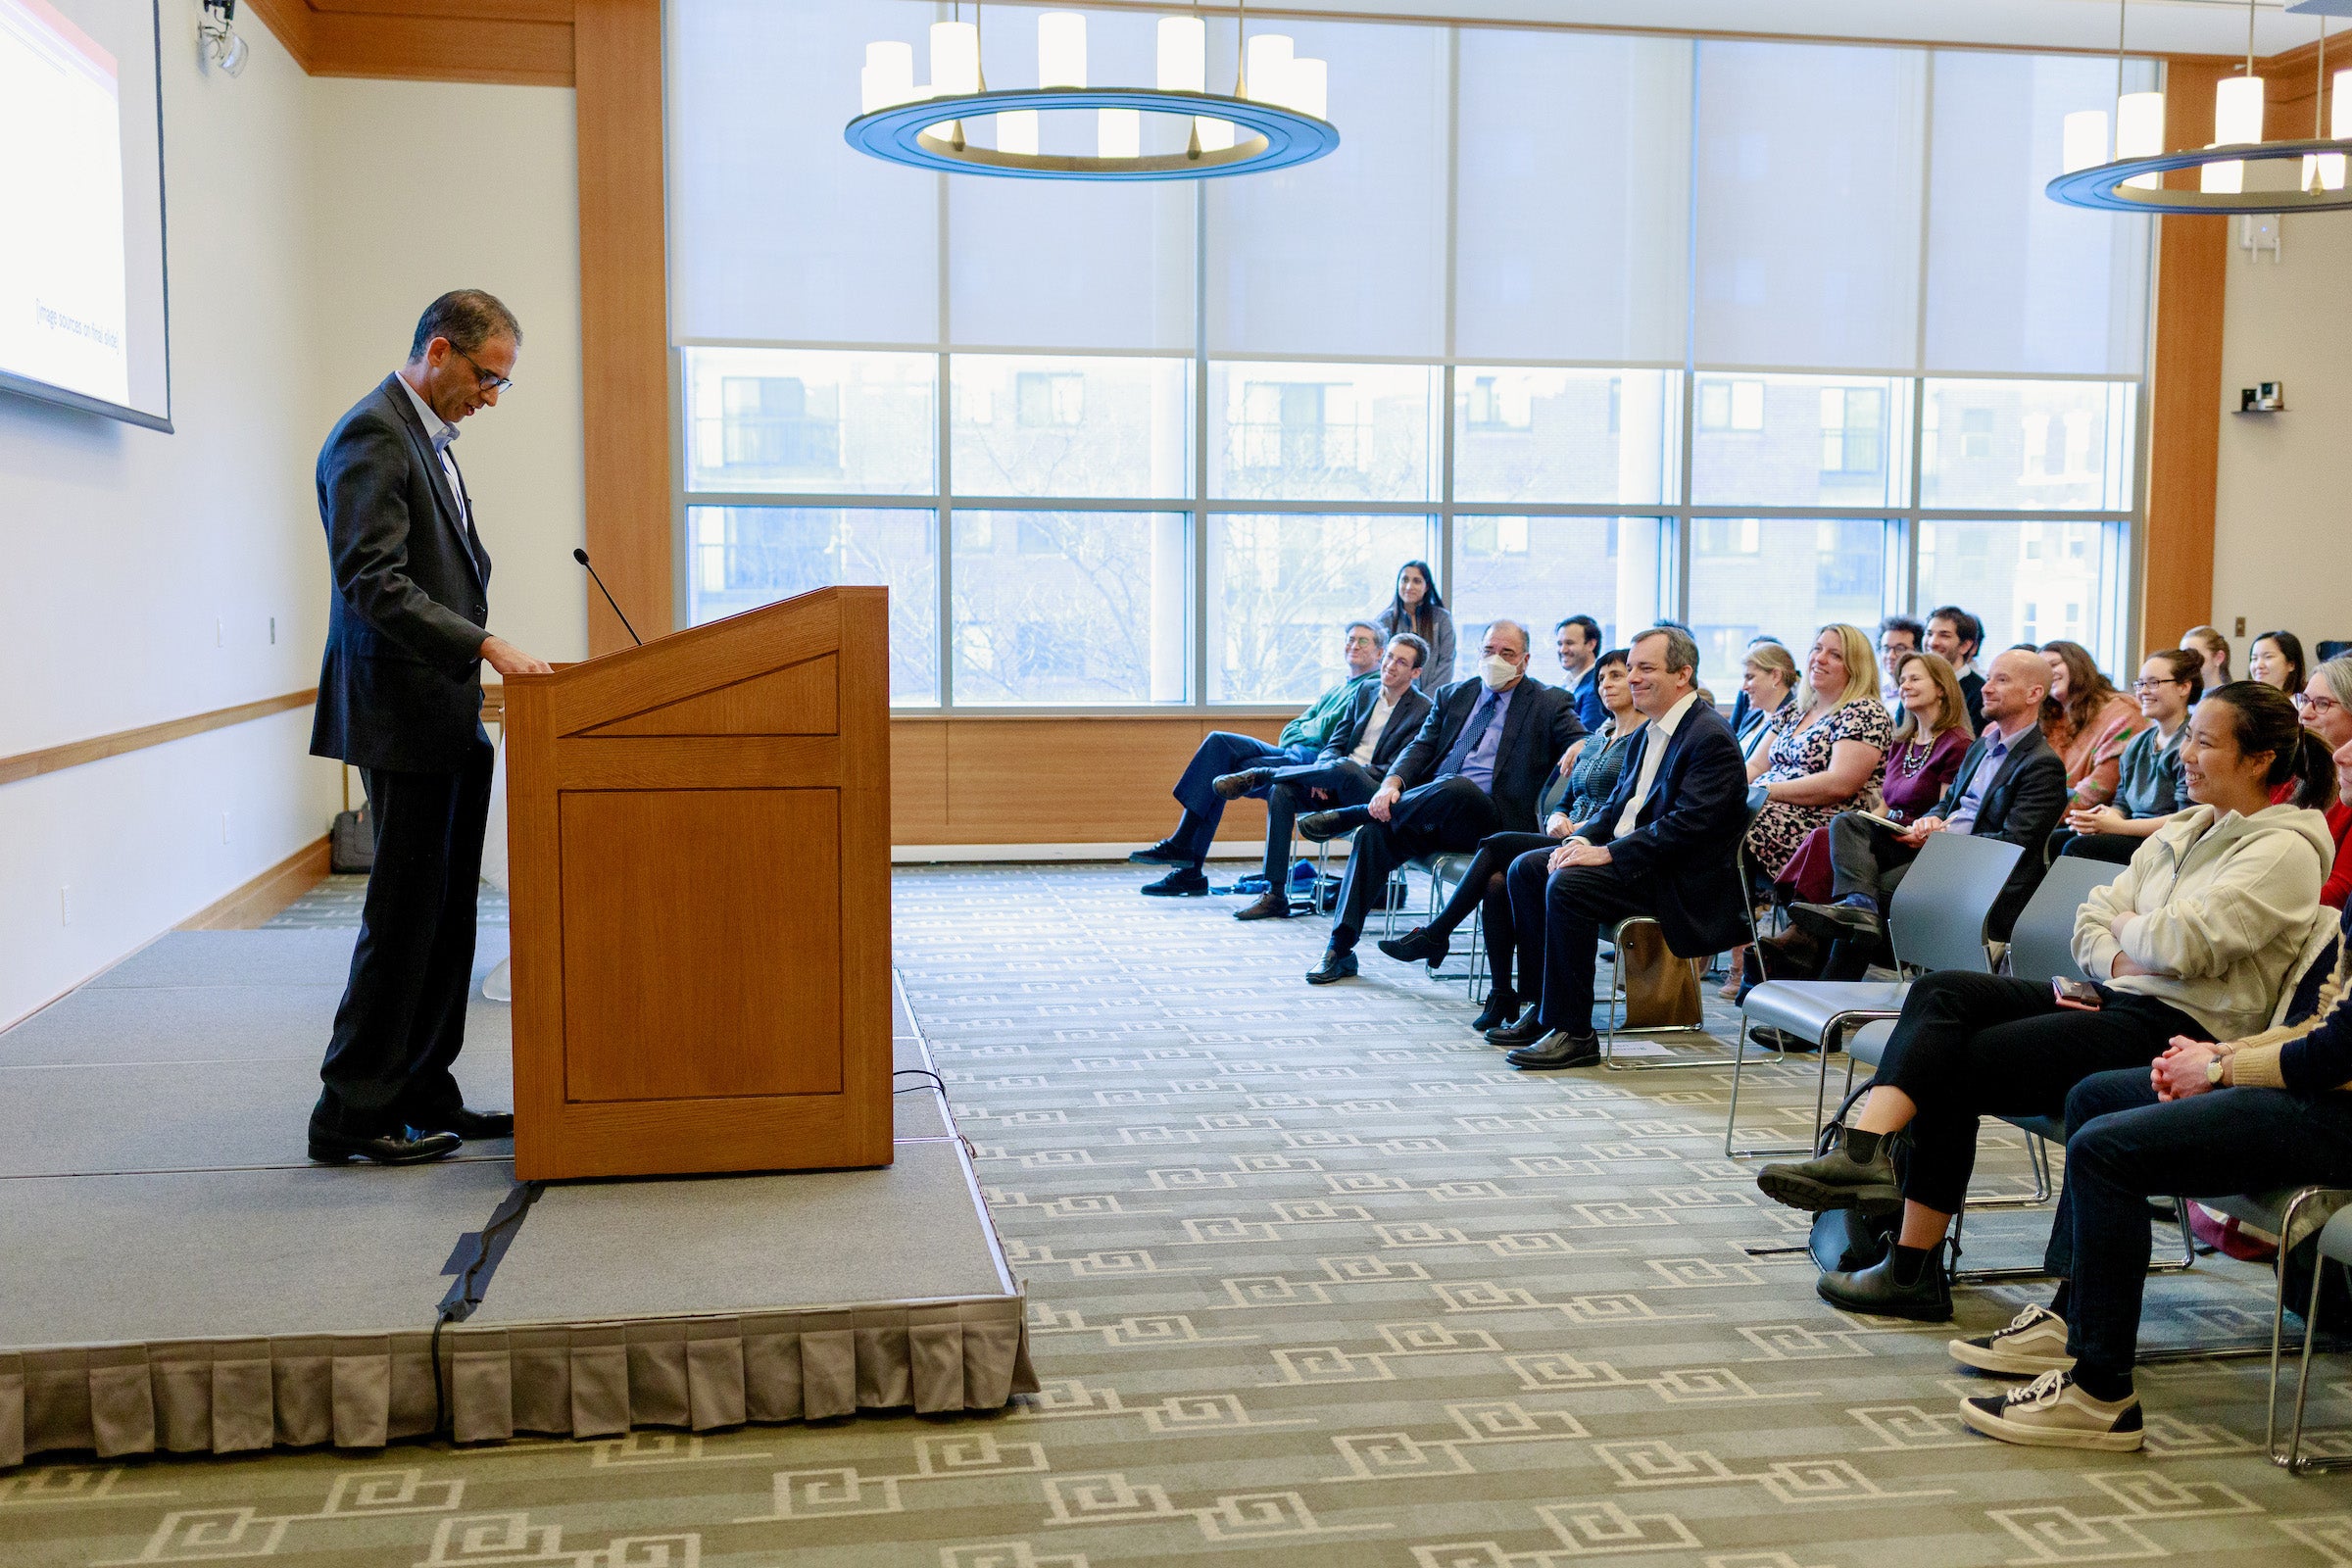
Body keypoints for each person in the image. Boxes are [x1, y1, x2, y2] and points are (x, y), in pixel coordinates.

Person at [1754, 680, 2337, 1322]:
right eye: (2190, 738)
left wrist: (2129, 928)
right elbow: (2093, 917)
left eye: (2204, 742)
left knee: (1948, 1063)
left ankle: (1910, 1267)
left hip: (2180, 1027)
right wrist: (2126, 940)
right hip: (2117, 994)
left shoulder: (2283, 850)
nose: (2185, 755)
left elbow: (2178, 946)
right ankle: (1864, 1154)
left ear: (2257, 760)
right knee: (1941, 992)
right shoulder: (2188, 827)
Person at [1945, 887, 2352, 1451]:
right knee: (2097, 1097)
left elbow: (2339, 1057)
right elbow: (2322, 1024)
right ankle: (2075, 1319)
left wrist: (2217, 1071)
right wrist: (2227, 1053)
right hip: (2324, 1086)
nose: (2343, 790)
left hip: (2341, 1111)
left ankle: (2099, 1394)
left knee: (2105, 1153)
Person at [309, 290, 545, 1167]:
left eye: (501, 385)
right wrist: (485, 643)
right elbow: (371, 579)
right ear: (438, 351)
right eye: (487, 378)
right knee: (403, 918)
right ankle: (351, 1111)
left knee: (446, 919)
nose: (490, 397)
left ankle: (421, 1090)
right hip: (401, 713)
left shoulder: (429, 441)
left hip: (443, 713)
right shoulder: (373, 433)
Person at [1485, 627, 1750, 1070]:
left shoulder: (1709, 737)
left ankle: (1576, 1032)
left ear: (1683, 674)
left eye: (1646, 669)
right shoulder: (1650, 732)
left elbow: (1691, 826)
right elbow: (1616, 809)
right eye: (1631, 669)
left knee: (1569, 885)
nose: (1633, 679)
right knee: (1529, 868)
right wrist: (1582, 839)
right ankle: (1544, 1008)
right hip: (1642, 863)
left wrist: (1609, 853)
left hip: (1677, 878)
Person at [1295, 621, 1584, 985]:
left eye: (1506, 653)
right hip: (1433, 809)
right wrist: (1391, 784)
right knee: (1373, 834)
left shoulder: (1548, 701)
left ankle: (1350, 814)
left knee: (1456, 786)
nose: (1495, 658)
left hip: (1493, 823)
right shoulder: (1454, 694)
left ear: (1524, 661)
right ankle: (1339, 949)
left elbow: (1583, 739)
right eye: (1488, 650)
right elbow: (1421, 749)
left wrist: (1579, 743)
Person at [1375, 648, 1646, 1028]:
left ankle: (1439, 934)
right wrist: (1557, 817)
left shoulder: (1644, 740)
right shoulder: (1599, 737)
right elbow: (1565, 798)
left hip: (1595, 845)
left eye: (1618, 676)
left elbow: (1623, 809)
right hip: (1565, 837)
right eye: (1601, 678)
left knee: (1500, 845)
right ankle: (1504, 994)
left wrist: (1582, 833)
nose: (1607, 685)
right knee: (1496, 881)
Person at [1768, 649, 2065, 984]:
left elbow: (2016, 843)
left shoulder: (2042, 765)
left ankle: (1826, 993)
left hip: (1977, 869)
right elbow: (1949, 804)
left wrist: (1948, 837)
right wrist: (1931, 819)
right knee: (1847, 824)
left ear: (2034, 693)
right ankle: (1858, 907)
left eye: (2002, 679)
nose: (1986, 687)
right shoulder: (1981, 748)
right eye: (1990, 677)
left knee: (1876, 892)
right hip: (1938, 848)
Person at [1131, 622, 1383, 894]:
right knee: (1218, 742)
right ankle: (1184, 857)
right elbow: (1291, 730)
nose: (1354, 645)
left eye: (1363, 641)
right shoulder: (1338, 687)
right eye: (1350, 639)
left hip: (1313, 763)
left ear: (1380, 652)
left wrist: (1305, 730)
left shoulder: (1370, 688)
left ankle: (1187, 864)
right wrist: (1305, 730)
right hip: (1292, 752)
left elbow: (1325, 730)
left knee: (1222, 773)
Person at [1225, 635, 1433, 920]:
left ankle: (1263, 774)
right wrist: (1324, 773)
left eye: (1401, 662)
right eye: (1389, 657)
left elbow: (1395, 768)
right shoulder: (1365, 691)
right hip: (1335, 777)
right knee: (1282, 792)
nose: (1390, 666)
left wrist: (1337, 772)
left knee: (1345, 769)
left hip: (1374, 793)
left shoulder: (1423, 710)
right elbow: (1335, 743)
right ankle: (1275, 894)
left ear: (1415, 672)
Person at [1774, 651, 1974, 910]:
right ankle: (1817, 922)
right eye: (1902, 680)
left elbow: (1945, 809)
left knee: (1833, 832)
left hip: (1918, 842)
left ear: (1941, 689)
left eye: (1915, 679)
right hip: (1891, 833)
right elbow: (1885, 807)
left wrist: (1913, 830)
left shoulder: (1956, 744)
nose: (1905, 686)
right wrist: (1868, 823)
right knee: (1838, 829)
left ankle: (1844, 912)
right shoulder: (1903, 740)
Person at [1743, 624, 1896, 881]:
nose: (1820, 659)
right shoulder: (1797, 709)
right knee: (1707, 813)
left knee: (1730, 825)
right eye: (1817, 649)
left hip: (1822, 822)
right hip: (1769, 805)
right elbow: (1756, 766)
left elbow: (1840, 784)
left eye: (1835, 655)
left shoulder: (1864, 711)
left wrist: (1765, 792)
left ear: (1856, 667)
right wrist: (1726, 790)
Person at [2047, 650, 2198, 865]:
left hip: (2170, 841)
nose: (2143, 692)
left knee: (2078, 848)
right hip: (2133, 831)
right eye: (2140, 684)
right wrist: (2102, 817)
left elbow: (2188, 818)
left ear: (2184, 687)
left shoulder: (2191, 743)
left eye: (2153, 683)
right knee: (2056, 840)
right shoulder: (2138, 742)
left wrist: (2118, 826)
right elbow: (2123, 803)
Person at [2039, 640, 2144, 812]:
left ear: (2076, 664)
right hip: (2055, 816)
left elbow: (2100, 787)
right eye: (2042, 671)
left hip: (2097, 819)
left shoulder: (2123, 711)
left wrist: (2039, 815)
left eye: (2054, 664)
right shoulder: (2052, 718)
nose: (2049, 674)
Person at [2297, 659, 2352, 907]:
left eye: (2321, 704)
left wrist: (2266, 905)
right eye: (2304, 700)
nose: (2304, 713)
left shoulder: (2349, 793)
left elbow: (2340, 890)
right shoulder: (2298, 770)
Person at [1375, 561, 1455, 695]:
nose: (1409, 586)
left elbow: (1447, 662)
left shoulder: (1442, 619)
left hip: (1432, 700)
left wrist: (1426, 700)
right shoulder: (1384, 620)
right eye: (1404, 580)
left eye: (1417, 581)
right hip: (1394, 697)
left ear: (1427, 586)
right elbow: (1378, 663)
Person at [1735, 642, 1799, 763]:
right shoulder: (1752, 716)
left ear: (1776, 676)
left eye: (1750, 677)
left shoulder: (1793, 722)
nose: (1743, 687)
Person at [1928, 606, 1987, 732]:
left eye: (1944, 635)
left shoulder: (1979, 693)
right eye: (1929, 634)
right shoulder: (1913, 685)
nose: (1933, 642)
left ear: (1965, 646)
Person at [1555, 614, 1607, 731]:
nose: (1562, 650)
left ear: (1591, 645)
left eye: (1569, 643)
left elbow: (1586, 738)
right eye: (1559, 644)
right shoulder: (1566, 685)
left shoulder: (1597, 687)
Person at [1878, 614, 1925, 715]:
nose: (1891, 655)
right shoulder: (1878, 693)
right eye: (1886, 649)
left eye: (1900, 648)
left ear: (1918, 651)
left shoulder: (1920, 695)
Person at [2250, 628, 2308, 696]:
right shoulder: (2244, 702)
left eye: (2268, 657)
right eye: (2254, 658)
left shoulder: (2302, 704)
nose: (2258, 665)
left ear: (2291, 664)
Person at [2181, 625, 2232, 694]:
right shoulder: (2181, 696)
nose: (2187, 663)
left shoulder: (2228, 699)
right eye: (2183, 656)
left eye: (2195, 656)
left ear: (2218, 658)